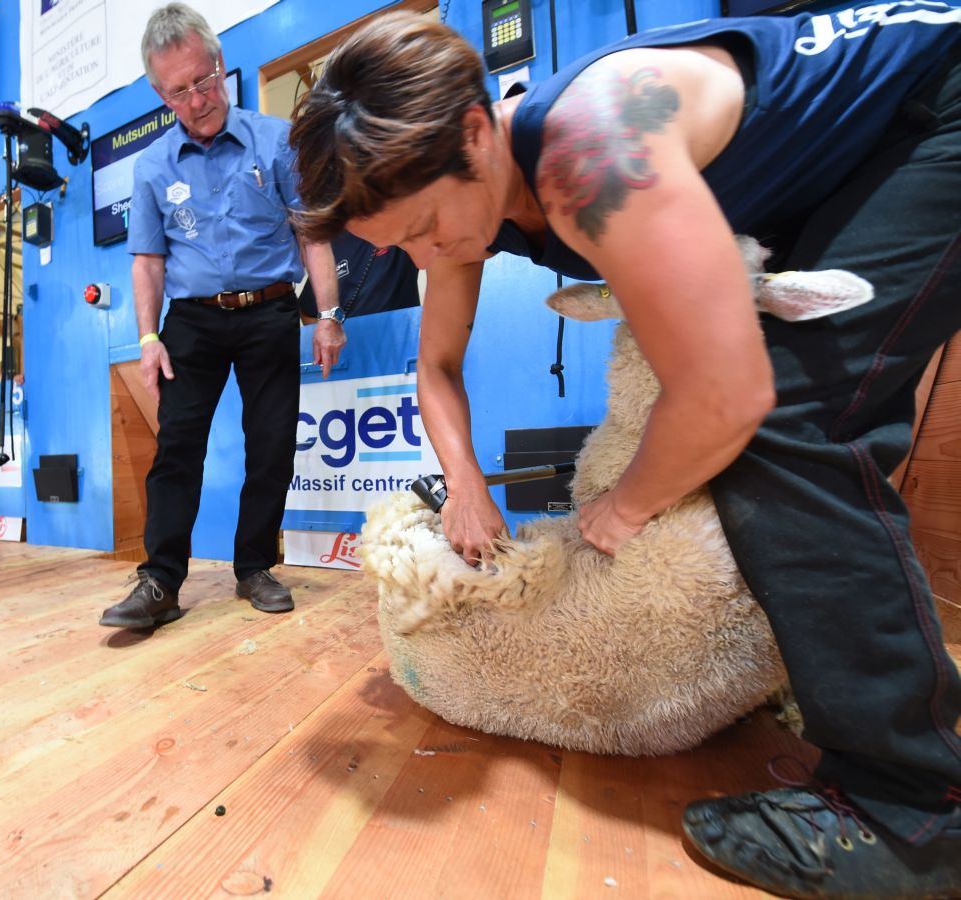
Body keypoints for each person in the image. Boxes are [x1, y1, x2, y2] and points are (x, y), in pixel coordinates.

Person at [290, 6, 961, 898]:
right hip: (856, 152)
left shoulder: (587, 154)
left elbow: (729, 396)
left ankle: (916, 812)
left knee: (790, 419)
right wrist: (463, 489)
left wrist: (627, 504)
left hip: (936, 108)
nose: (428, 253)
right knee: (780, 415)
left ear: (476, 131)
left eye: (425, 227)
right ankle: (845, 694)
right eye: (399, 245)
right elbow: (437, 370)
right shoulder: (459, 191)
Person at [99, 2, 345, 630]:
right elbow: (147, 262)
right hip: (191, 323)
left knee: (271, 446)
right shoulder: (151, 166)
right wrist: (148, 336)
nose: (198, 99)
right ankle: (159, 580)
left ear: (220, 65)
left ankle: (255, 566)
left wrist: (327, 314)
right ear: (161, 94)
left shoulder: (275, 140)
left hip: (268, 314)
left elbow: (313, 234)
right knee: (178, 448)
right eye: (179, 91)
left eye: (204, 81)